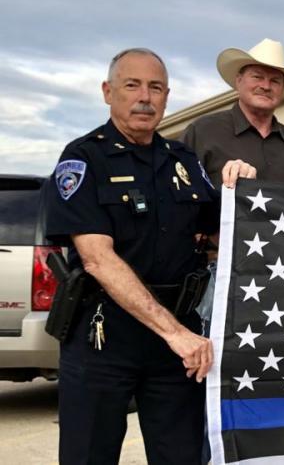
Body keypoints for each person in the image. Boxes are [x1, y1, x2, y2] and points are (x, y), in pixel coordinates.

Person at [44, 48, 255, 464]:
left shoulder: (183, 160)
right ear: (108, 92)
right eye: (132, 85)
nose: (145, 97)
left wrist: (240, 186)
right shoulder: (84, 158)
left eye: (156, 87)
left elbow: (222, 229)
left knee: (182, 456)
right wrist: (175, 333)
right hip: (104, 337)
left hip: (175, 343)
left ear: (167, 96)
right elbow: (97, 259)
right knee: (89, 455)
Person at [181, 38, 284, 188]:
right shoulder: (202, 132)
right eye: (257, 77)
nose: (266, 86)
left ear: (282, 89)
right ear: (239, 80)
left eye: (275, 81)